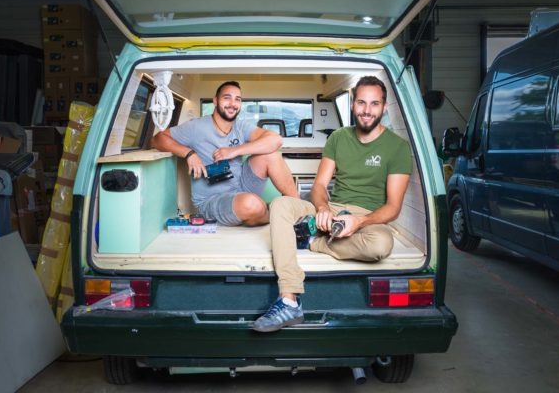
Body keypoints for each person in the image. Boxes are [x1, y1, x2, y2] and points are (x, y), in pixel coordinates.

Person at [253, 76, 412, 332]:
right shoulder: (338, 138)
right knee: (281, 204)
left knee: (381, 245)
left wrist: (359, 221)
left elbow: (393, 207)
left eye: (374, 104)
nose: (367, 110)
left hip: (367, 218)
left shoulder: (397, 147)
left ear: (384, 108)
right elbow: (318, 186)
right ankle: (289, 300)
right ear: (352, 104)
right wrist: (324, 208)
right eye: (361, 102)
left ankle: (313, 241)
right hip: (333, 208)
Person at [150, 81, 298, 227]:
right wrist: (189, 154)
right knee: (252, 205)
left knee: (270, 155)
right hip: (213, 200)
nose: (232, 104)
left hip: (242, 186)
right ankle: (273, 213)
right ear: (215, 100)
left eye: (237, 99)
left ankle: (297, 209)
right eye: (227, 97)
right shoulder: (196, 127)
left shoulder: (240, 126)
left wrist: (234, 151)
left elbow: (276, 140)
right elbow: (157, 140)